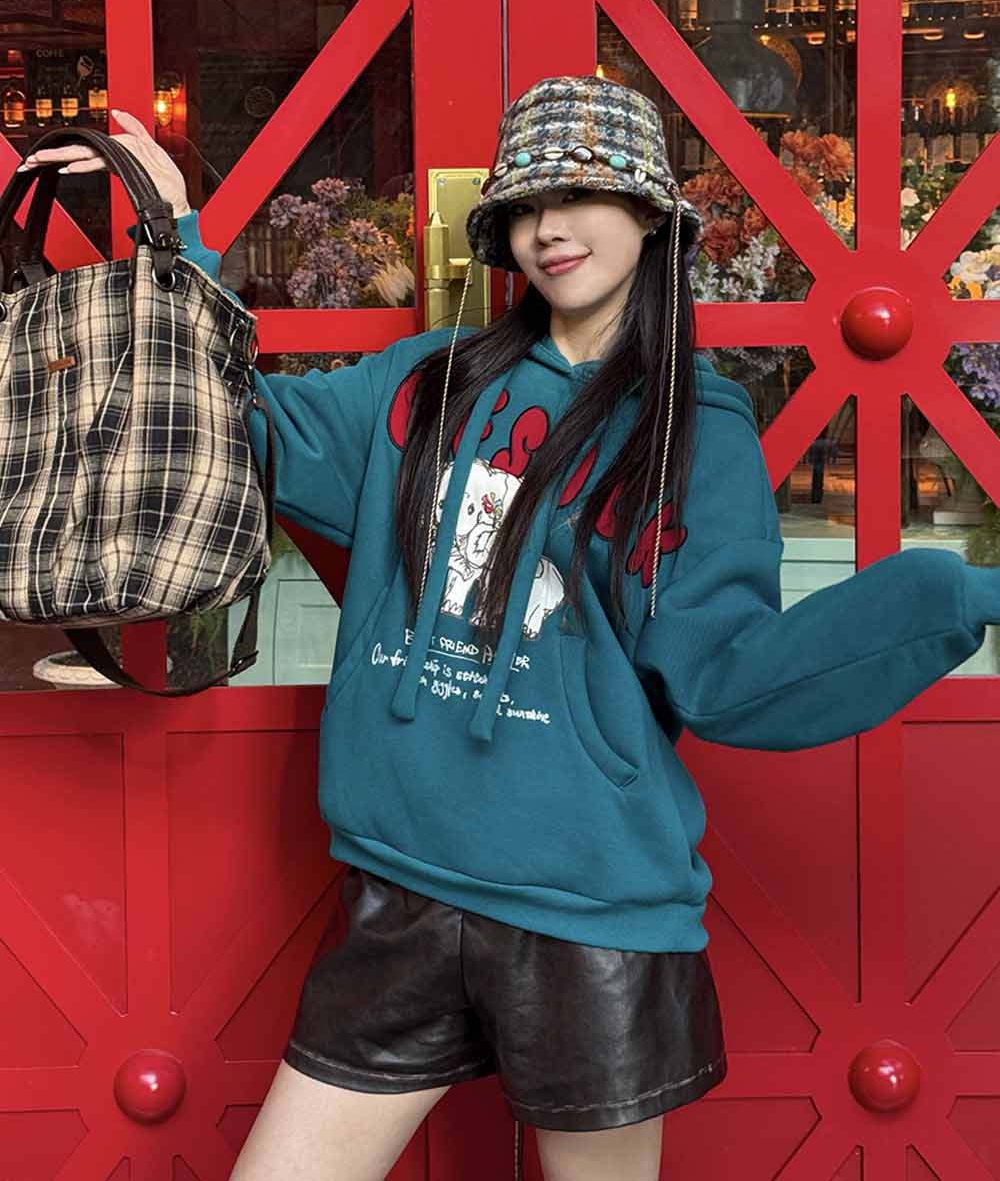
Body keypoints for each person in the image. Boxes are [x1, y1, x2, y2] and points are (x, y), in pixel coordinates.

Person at [19, 75, 1000, 1181]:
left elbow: (728, 676)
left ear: (652, 217)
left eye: (579, 194)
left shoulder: (694, 430)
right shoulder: (429, 384)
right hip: (399, 885)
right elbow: (237, 428)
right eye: (525, 205)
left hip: (589, 913)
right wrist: (172, 244)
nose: (548, 228)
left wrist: (958, 593)